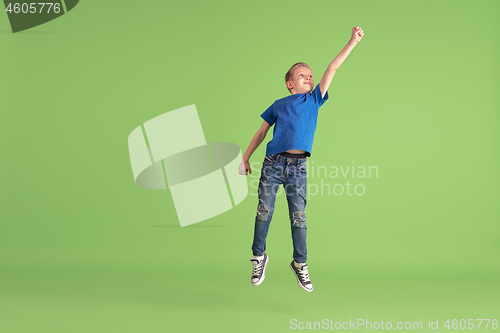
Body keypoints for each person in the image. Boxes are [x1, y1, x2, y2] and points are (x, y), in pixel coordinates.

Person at [238, 26, 364, 292]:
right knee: (264, 211)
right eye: (302, 75)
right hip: (273, 163)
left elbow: (332, 68)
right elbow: (261, 132)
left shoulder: (314, 99)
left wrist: (352, 42)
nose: (308, 77)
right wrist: (246, 158)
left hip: (298, 167)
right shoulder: (278, 104)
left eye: (310, 75)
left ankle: (300, 263)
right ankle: (258, 256)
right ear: (289, 82)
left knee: (299, 216)